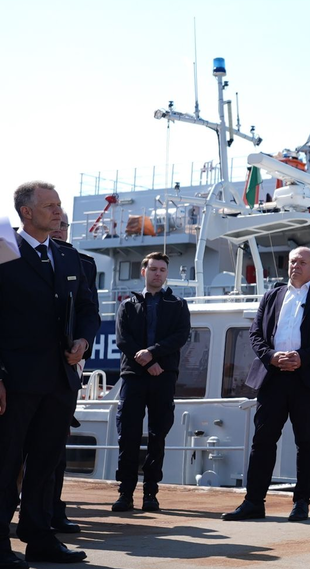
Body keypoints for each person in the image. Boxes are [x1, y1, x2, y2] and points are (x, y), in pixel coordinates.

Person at [0, 181, 98, 566]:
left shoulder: (68, 256)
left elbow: (88, 309)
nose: (58, 212)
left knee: (45, 464)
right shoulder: (4, 251)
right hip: (15, 380)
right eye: (49, 206)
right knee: (5, 464)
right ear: (26, 212)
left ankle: (40, 537)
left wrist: (84, 341)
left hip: (60, 379)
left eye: (58, 205)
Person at [223, 246, 310, 523]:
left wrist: (302, 357)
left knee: (307, 442)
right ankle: (254, 502)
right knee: (263, 441)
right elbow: (255, 333)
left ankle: (301, 502)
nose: (295, 266)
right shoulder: (272, 295)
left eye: (302, 262)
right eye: (292, 261)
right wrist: (271, 356)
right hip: (272, 377)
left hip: (306, 379)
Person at [111, 252, 191, 513]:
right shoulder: (127, 305)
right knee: (128, 435)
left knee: (158, 435)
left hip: (163, 376)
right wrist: (147, 362)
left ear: (166, 274)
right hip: (134, 376)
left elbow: (180, 336)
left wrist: (152, 353)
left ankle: (150, 493)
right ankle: (125, 494)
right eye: (154, 269)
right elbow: (123, 340)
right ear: (143, 271)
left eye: (162, 270)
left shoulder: (178, 305)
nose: (158, 274)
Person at [46, 214, 97, 534]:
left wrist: (83, 344)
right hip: (25, 364)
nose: (59, 228)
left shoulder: (84, 264)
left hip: (66, 365)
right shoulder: (17, 256)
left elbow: (89, 311)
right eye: (54, 221)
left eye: (64, 223)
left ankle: (53, 509)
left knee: (54, 442)